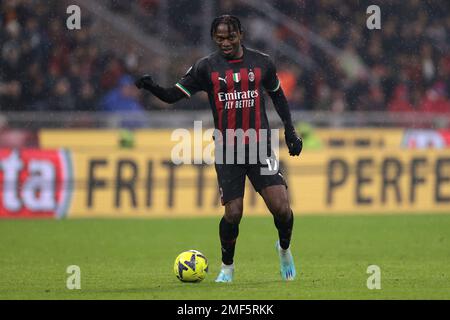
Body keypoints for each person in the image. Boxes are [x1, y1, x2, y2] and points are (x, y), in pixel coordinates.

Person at [135, 15, 302, 282]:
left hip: (259, 146)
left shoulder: (262, 63)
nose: (225, 42)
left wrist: (290, 131)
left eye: (230, 37)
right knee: (233, 212)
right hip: (228, 150)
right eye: (220, 38)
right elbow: (172, 95)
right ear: (214, 38)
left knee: (281, 207)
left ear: (241, 35)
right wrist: (152, 87)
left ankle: (283, 249)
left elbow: (278, 96)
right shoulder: (206, 68)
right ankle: (228, 267)